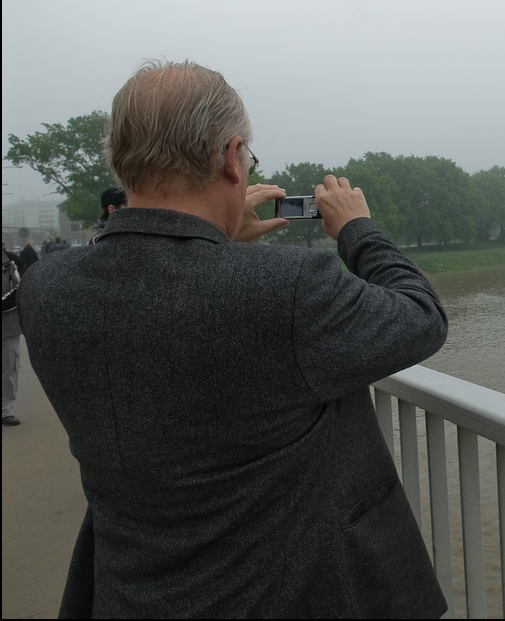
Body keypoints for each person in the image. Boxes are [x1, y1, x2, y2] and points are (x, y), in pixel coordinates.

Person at [18, 59, 449, 618]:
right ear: (230, 157)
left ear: (121, 159)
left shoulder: (46, 287)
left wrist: (214, 234)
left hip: (125, 593)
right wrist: (356, 229)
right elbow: (421, 316)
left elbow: (154, 288)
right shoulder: (288, 289)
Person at [2, 244, 24, 426]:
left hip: (7, 326)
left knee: (9, 368)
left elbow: (18, 290)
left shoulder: (11, 262)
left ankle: (5, 410)